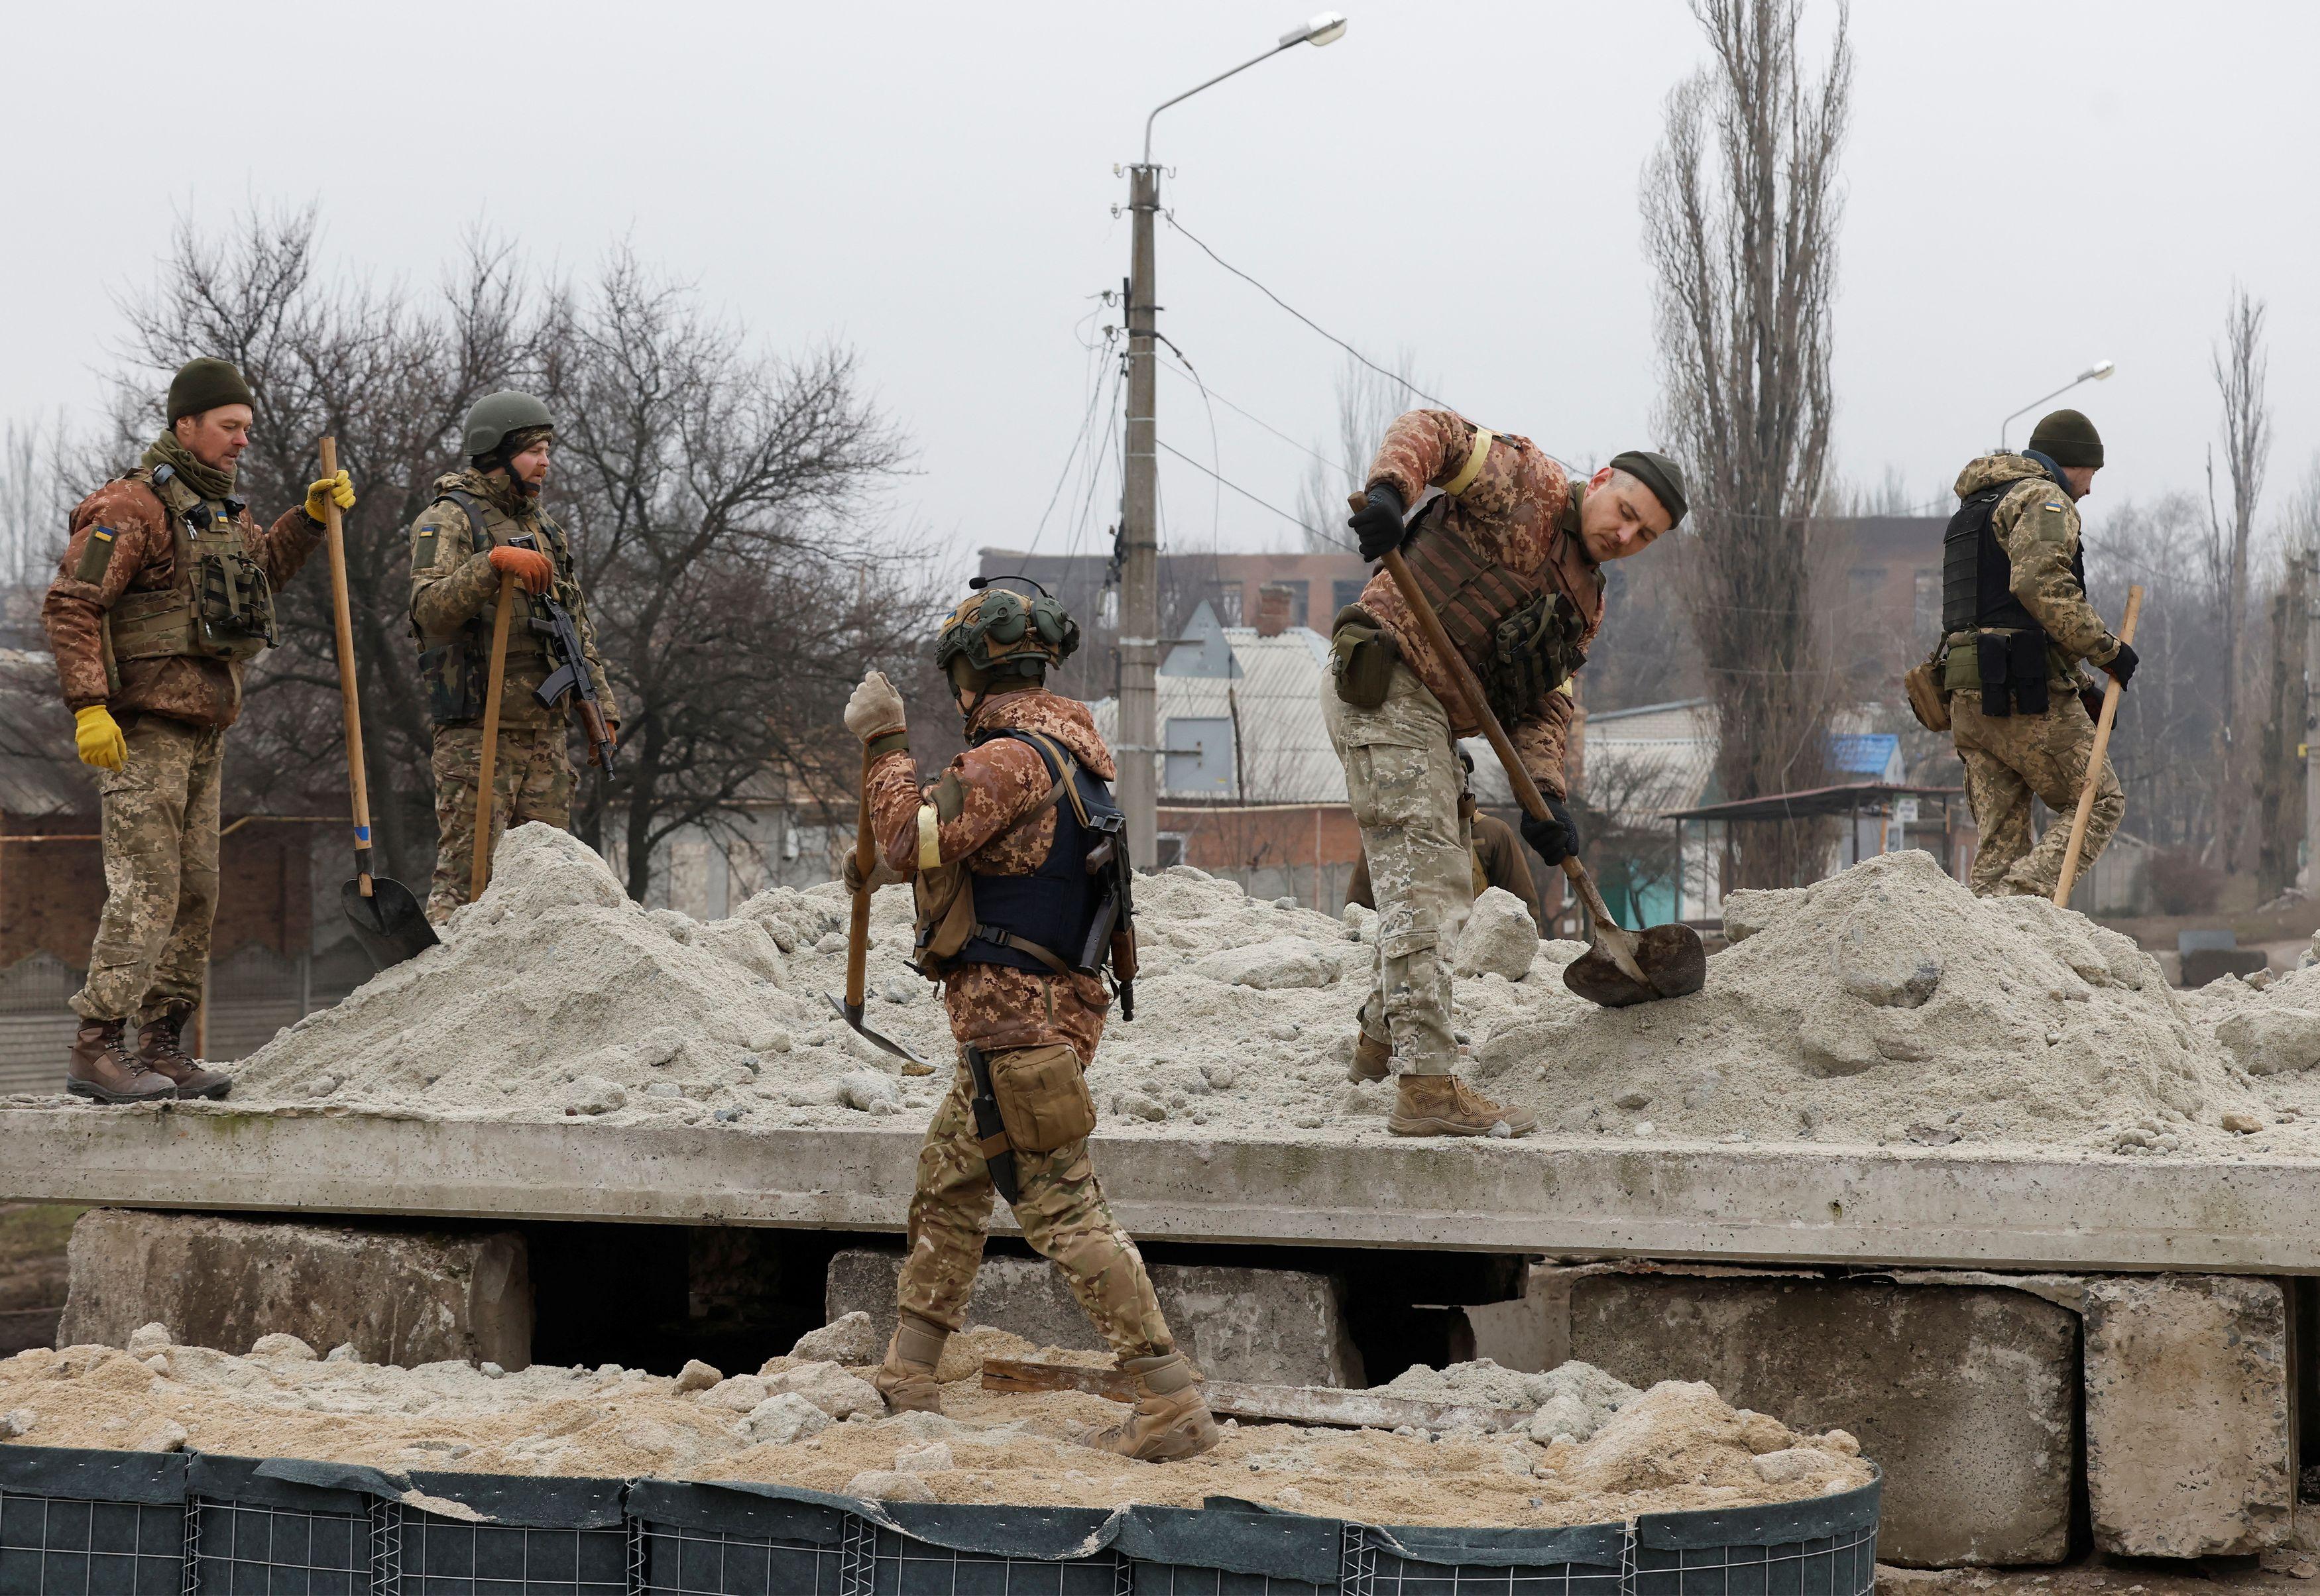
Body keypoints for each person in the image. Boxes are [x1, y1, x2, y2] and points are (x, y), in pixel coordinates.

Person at [841, 583, 1217, 1462]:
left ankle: (1167, 1401)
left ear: (975, 673)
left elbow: (908, 838)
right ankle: (911, 1369)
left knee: (1062, 1210)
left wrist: (884, 742)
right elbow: (957, 858)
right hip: (1026, 1021)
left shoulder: (1013, 760)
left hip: (1018, 1023)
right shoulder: (1066, 756)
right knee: (950, 1185)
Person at [1325, 410, 1683, 1135]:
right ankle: (1426, 1088)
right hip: (1385, 679)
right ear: (1603, 480)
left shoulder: (1586, 602)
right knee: (1429, 879)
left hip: (1436, 723)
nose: (1624, 536)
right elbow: (1434, 429)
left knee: (1432, 881)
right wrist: (1392, 493)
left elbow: (1545, 699)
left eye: (1643, 536)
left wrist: (1545, 795)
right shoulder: (1525, 480)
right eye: (1625, 514)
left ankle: (1379, 1040)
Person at [41, 357, 351, 1101]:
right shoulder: (129, 507)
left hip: (207, 727)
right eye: (229, 426)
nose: (244, 440)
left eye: (248, 427)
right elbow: (72, 604)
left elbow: (258, 578)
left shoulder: (221, 513)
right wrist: (88, 704)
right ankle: (97, 1046)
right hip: (143, 729)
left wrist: (305, 522)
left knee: (196, 892)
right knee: (146, 887)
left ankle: (162, 1044)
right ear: (187, 424)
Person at [408, 392, 617, 923]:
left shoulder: (548, 531)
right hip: (480, 732)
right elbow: (429, 611)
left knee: (548, 884)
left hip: (543, 736)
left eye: (548, 449)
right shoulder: (449, 520)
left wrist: (601, 708)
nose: (545, 461)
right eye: (533, 450)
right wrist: (492, 563)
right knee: (466, 884)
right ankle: (446, 993)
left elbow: (575, 626)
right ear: (496, 453)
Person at [1937, 409, 2130, 897]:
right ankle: (2017, 906)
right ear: (2072, 463)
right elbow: (2039, 586)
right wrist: (2106, 651)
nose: (2089, 488)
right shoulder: (2044, 499)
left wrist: (2082, 685)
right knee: (2100, 801)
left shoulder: (1973, 510)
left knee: (1999, 844)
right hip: (2023, 695)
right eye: (2092, 473)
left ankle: (1983, 947)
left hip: (1969, 698)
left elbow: (1996, 611)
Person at [1345, 748, 1544, 948]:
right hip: (1406, 951)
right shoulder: (1390, 835)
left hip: (1473, 955)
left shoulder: (1491, 833)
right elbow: (1359, 912)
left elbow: (1523, 911)